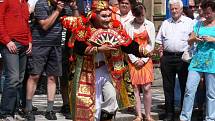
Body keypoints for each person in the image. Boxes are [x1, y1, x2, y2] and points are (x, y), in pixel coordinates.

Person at [61, 0, 150, 120]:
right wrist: (98, 49)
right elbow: (79, 48)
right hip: (87, 72)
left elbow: (126, 44)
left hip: (108, 70)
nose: (107, 19)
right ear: (94, 15)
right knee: (93, 106)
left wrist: (141, 50)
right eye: (103, 16)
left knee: (112, 99)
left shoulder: (115, 27)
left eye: (109, 15)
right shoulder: (84, 26)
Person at [24, 0, 77, 120]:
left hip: (57, 46)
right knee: (35, 76)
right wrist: (58, 10)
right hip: (40, 44)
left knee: (52, 77)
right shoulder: (41, 4)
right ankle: (28, 108)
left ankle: (50, 110)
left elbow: (77, 24)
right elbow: (45, 25)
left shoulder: (65, 6)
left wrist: (74, 9)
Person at [156, 0, 194, 120]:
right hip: (167, 58)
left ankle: (184, 114)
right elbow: (158, 41)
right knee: (168, 87)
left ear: (181, 9)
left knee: (185, 87)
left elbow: (194, 40)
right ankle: (169, 113)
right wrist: (161, 54)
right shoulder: (165, 23)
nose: (174, 11)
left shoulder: (189, 22)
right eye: (172, 9)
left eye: (176, 8)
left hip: (183, 58)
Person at [180, 0, 215, 121]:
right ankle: (185, 118)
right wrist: (195, 38)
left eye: (209, 13)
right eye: (205, 13)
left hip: (212, 61)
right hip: (197, 60)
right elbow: (189, 40)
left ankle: (210, 118)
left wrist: (212, 39)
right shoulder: (199, 24)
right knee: (189, 90)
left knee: (211, 93)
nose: (206, 15)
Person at [0, 0, 32, 120]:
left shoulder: (24, 2)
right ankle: (5, 113)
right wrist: (7, 41)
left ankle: (14, 111)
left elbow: (26, 23)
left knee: (19, 79)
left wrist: (29, 41)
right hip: (10, 43)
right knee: (12, 78)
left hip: (23, 44)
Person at [124, 2, 155, 121]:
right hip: (133, 59)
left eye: (142, 15)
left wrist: (143, 59)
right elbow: (127, 44)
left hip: (146, 58)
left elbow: (151, 44)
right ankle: (139, 115)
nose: (141, 18)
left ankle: (148, 115)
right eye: (138, 16)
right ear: (134, 15)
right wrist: (135, 59)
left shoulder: (150, 25)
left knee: (147, 88)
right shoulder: (128, 25)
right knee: (135, 88)